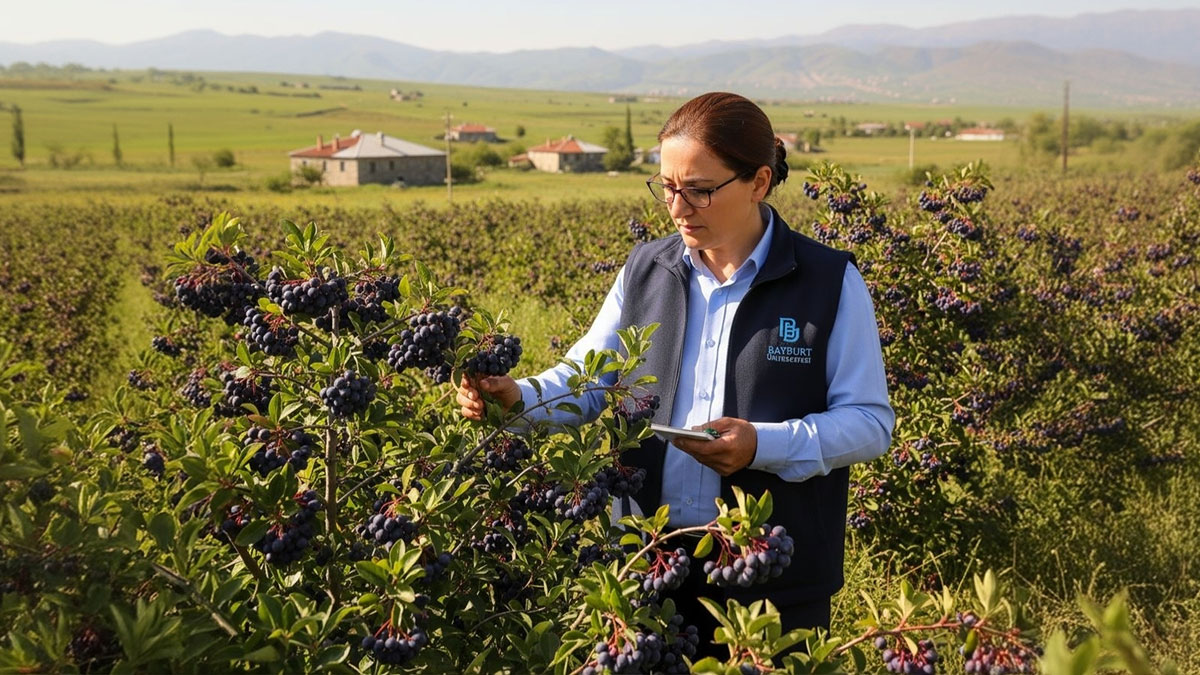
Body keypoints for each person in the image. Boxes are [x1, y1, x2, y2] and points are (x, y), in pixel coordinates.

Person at [457, 91, 894, 654]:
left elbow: (869, 422)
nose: (678, 208)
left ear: (759, 182)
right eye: (667, 187)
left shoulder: (828, 281)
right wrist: (519, 398)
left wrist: (762, 445)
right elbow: (588, 379)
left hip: (772, 587)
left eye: (700, 190)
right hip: (647, 571)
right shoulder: (646, 269)